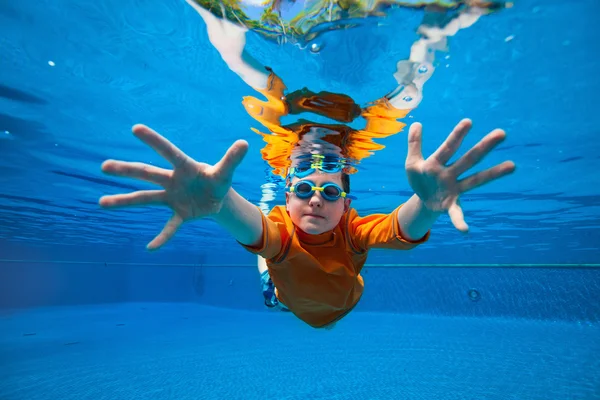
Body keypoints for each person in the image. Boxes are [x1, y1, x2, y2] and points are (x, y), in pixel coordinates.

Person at [98, 119, 515, 329]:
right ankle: (270, 283)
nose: (316, 198)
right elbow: (251, 227)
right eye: (303, 190)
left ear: (346, 204)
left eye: (330, 193)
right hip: (291, 302)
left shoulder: (352, 230)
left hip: (344, 305)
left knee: (270, 261)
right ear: (286, 196)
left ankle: (271, 279)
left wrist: (425, 203)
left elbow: (399, 230)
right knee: (269, 261)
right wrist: (220, 203)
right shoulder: (279, 229)